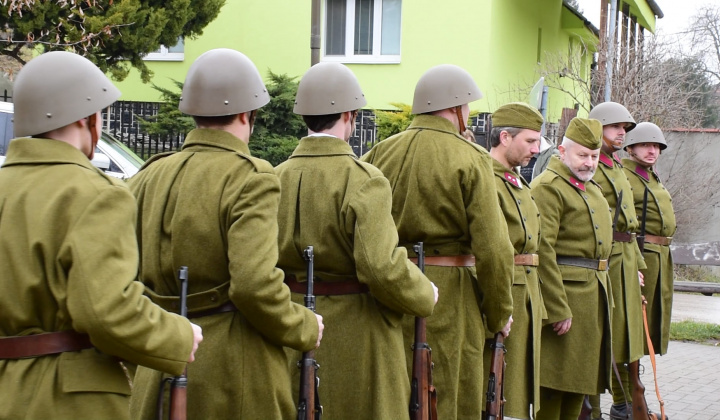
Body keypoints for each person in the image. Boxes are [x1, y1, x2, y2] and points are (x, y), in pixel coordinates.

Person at [0, 51, 203, 420]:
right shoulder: (96, 193)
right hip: (70, 400)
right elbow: (106, 310)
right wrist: (179, 336)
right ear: (85, 118)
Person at [127, 49, 323, 419]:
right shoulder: (251, 177)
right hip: (233, 373)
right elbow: (254, 284)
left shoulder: (148, 176)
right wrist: (305, 325)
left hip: (157, 361)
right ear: (248, 114)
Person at [276, 61, 437, 419]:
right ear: (349, 115)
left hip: (289, 327)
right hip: (359, 339)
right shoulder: (365, 180)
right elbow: (381, 268)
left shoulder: (274, 177)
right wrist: (425, 293)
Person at [362, 64, 514, 419]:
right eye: (468, 107)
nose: (469, 115)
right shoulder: (472, 157)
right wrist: (499, 311)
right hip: (451, 297)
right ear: (456, 108)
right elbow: (493, 248)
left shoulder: (378, 153)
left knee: (396, 397)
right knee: (450, 399)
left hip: (390, 287)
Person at [530, 117, 613, 420]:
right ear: (562, 152)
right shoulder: (549, 188)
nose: (589, 163)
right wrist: (556, 307)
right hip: (566, 299)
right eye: (582, 155)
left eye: (593, 156)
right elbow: (542, 249)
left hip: (592, 300)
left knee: (579, 386)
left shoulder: (592, 190)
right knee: (554, 386)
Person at [485, 102, 546, 420]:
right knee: (499, 391)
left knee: (519, 394)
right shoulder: (486, 179)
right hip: (505, 293)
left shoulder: (516, 181)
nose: (536, 149)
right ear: (505, 137)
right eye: (530, 141)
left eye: (538, 142)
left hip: (527, 296)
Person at [588, 101, 647, 419]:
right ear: (599, 128)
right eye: (615, 127)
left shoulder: (617, 166)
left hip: (625, 259)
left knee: (626, 336)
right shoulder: (593, 165)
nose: (622, 133)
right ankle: (600, 404)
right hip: (607, 260)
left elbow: (630, 224)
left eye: (624, 128)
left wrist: (637, 265)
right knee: (605, 335)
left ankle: (623, 402)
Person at [622, 122, 676, 356]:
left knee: (656, 314)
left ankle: (640, 363)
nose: (651, 151)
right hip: (645, 253)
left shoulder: (652, 177)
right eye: (644, 145)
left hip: (662, 255)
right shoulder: (626, 176)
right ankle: (629, 371)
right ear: (630, 148)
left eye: (655, 146)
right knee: (637, 317)